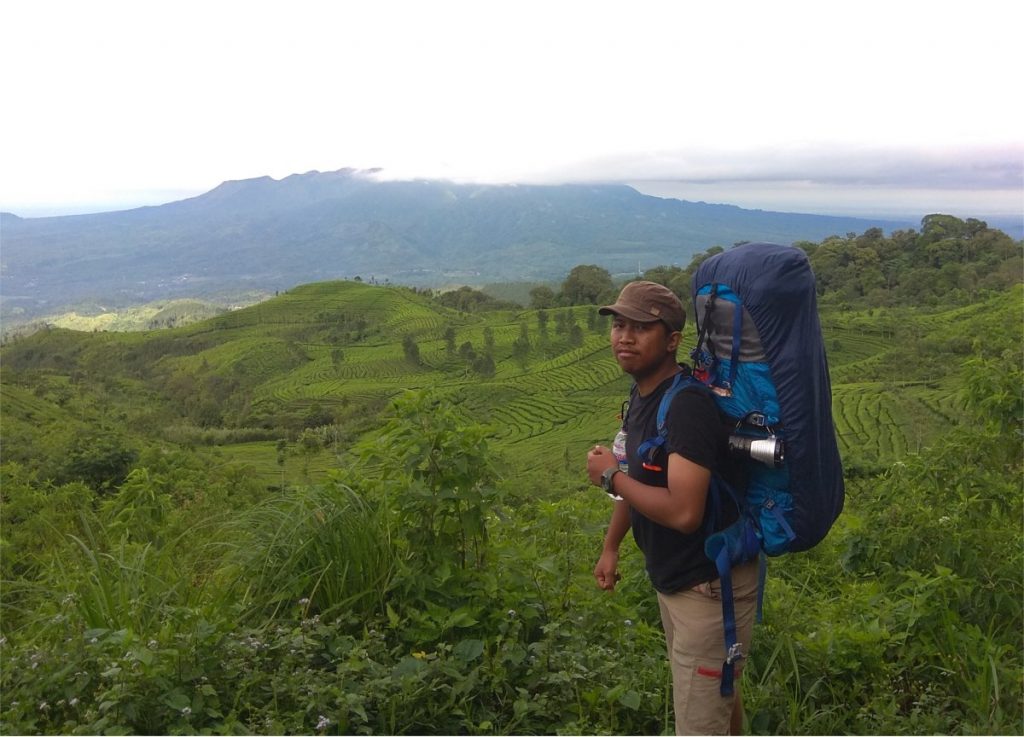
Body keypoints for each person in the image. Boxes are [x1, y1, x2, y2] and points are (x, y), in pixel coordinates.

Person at [586, 281, 759, 736]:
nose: (625, 336)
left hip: (706, 588)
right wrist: (611, 546)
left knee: (700, 721)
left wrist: (610, 476)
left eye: (642, 327)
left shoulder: (686, 407)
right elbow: (639, 478)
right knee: (720, 703)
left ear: (672, 340)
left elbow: (684, 512)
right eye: (619, 324)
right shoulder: (644, 398)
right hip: (680, 583)